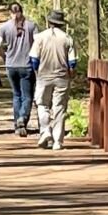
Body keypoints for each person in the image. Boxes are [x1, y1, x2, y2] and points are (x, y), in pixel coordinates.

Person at [30, 9, 78, 150]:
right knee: (59, 108)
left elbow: (34, 59)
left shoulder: (39, 37)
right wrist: (71, 74)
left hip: (44, 76)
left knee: (42, 105)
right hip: (62, 77)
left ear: (48, 22)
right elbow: (73, 62)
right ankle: (58, 141)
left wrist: (37, 72)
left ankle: (45, 131)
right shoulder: (67, 38)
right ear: (62, 24)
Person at [0, 2, 37, 136]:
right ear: (22, 10)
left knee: (16, 95)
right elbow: (38, 44)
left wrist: (4, 56)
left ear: (10, 12)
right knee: (27, 96)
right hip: (27, 65)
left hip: (11, 66)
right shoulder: (31, 26)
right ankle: (22, 118)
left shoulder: (4, 27)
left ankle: (17, 125)